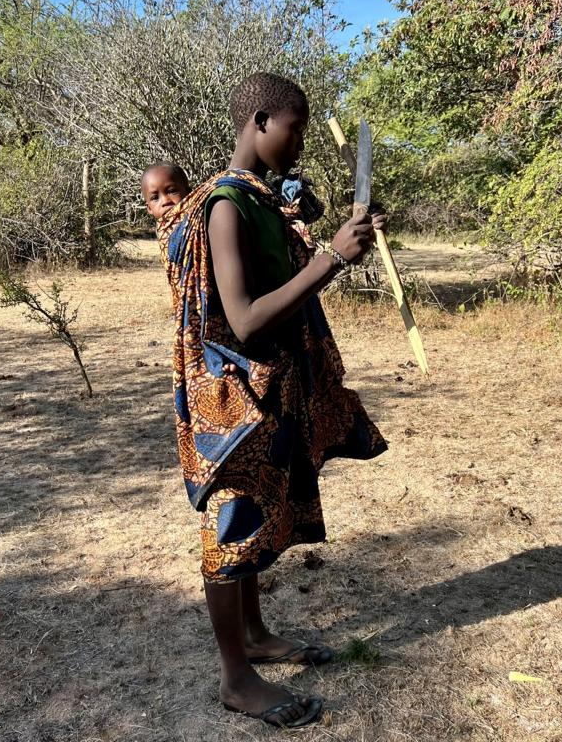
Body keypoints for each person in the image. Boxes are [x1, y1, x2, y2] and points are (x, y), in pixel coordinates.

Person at [156, 72, 387, 729]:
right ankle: (235, 676)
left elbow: (283, 286)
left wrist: (339, 244)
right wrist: (331, 262)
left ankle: (255, 636)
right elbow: (247, 318)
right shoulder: (225, 205)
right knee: (229, 530)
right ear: (259, 121)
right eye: (295, 129)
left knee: (254, 520)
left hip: (265, 390)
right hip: (231, 402)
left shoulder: (261, 201)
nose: (300, 142)